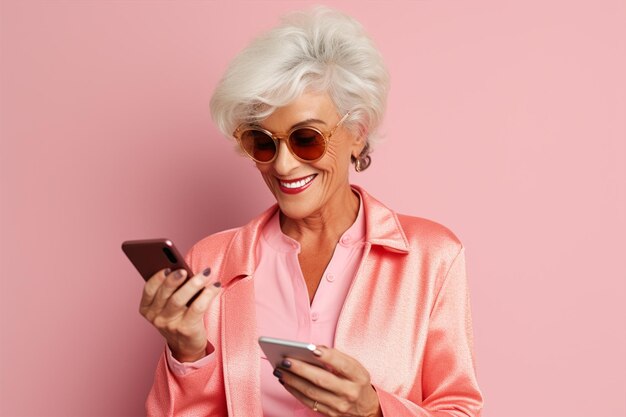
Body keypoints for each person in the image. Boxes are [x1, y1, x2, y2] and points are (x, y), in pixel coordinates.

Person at [140, 7, 483, 417]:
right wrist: (187, 352)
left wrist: (374, 410)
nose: (282, 165)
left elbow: (459, 407)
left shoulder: (431, 256)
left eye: (306, 139)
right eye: (262, 142)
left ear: (357, 133)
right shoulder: (212, 264)